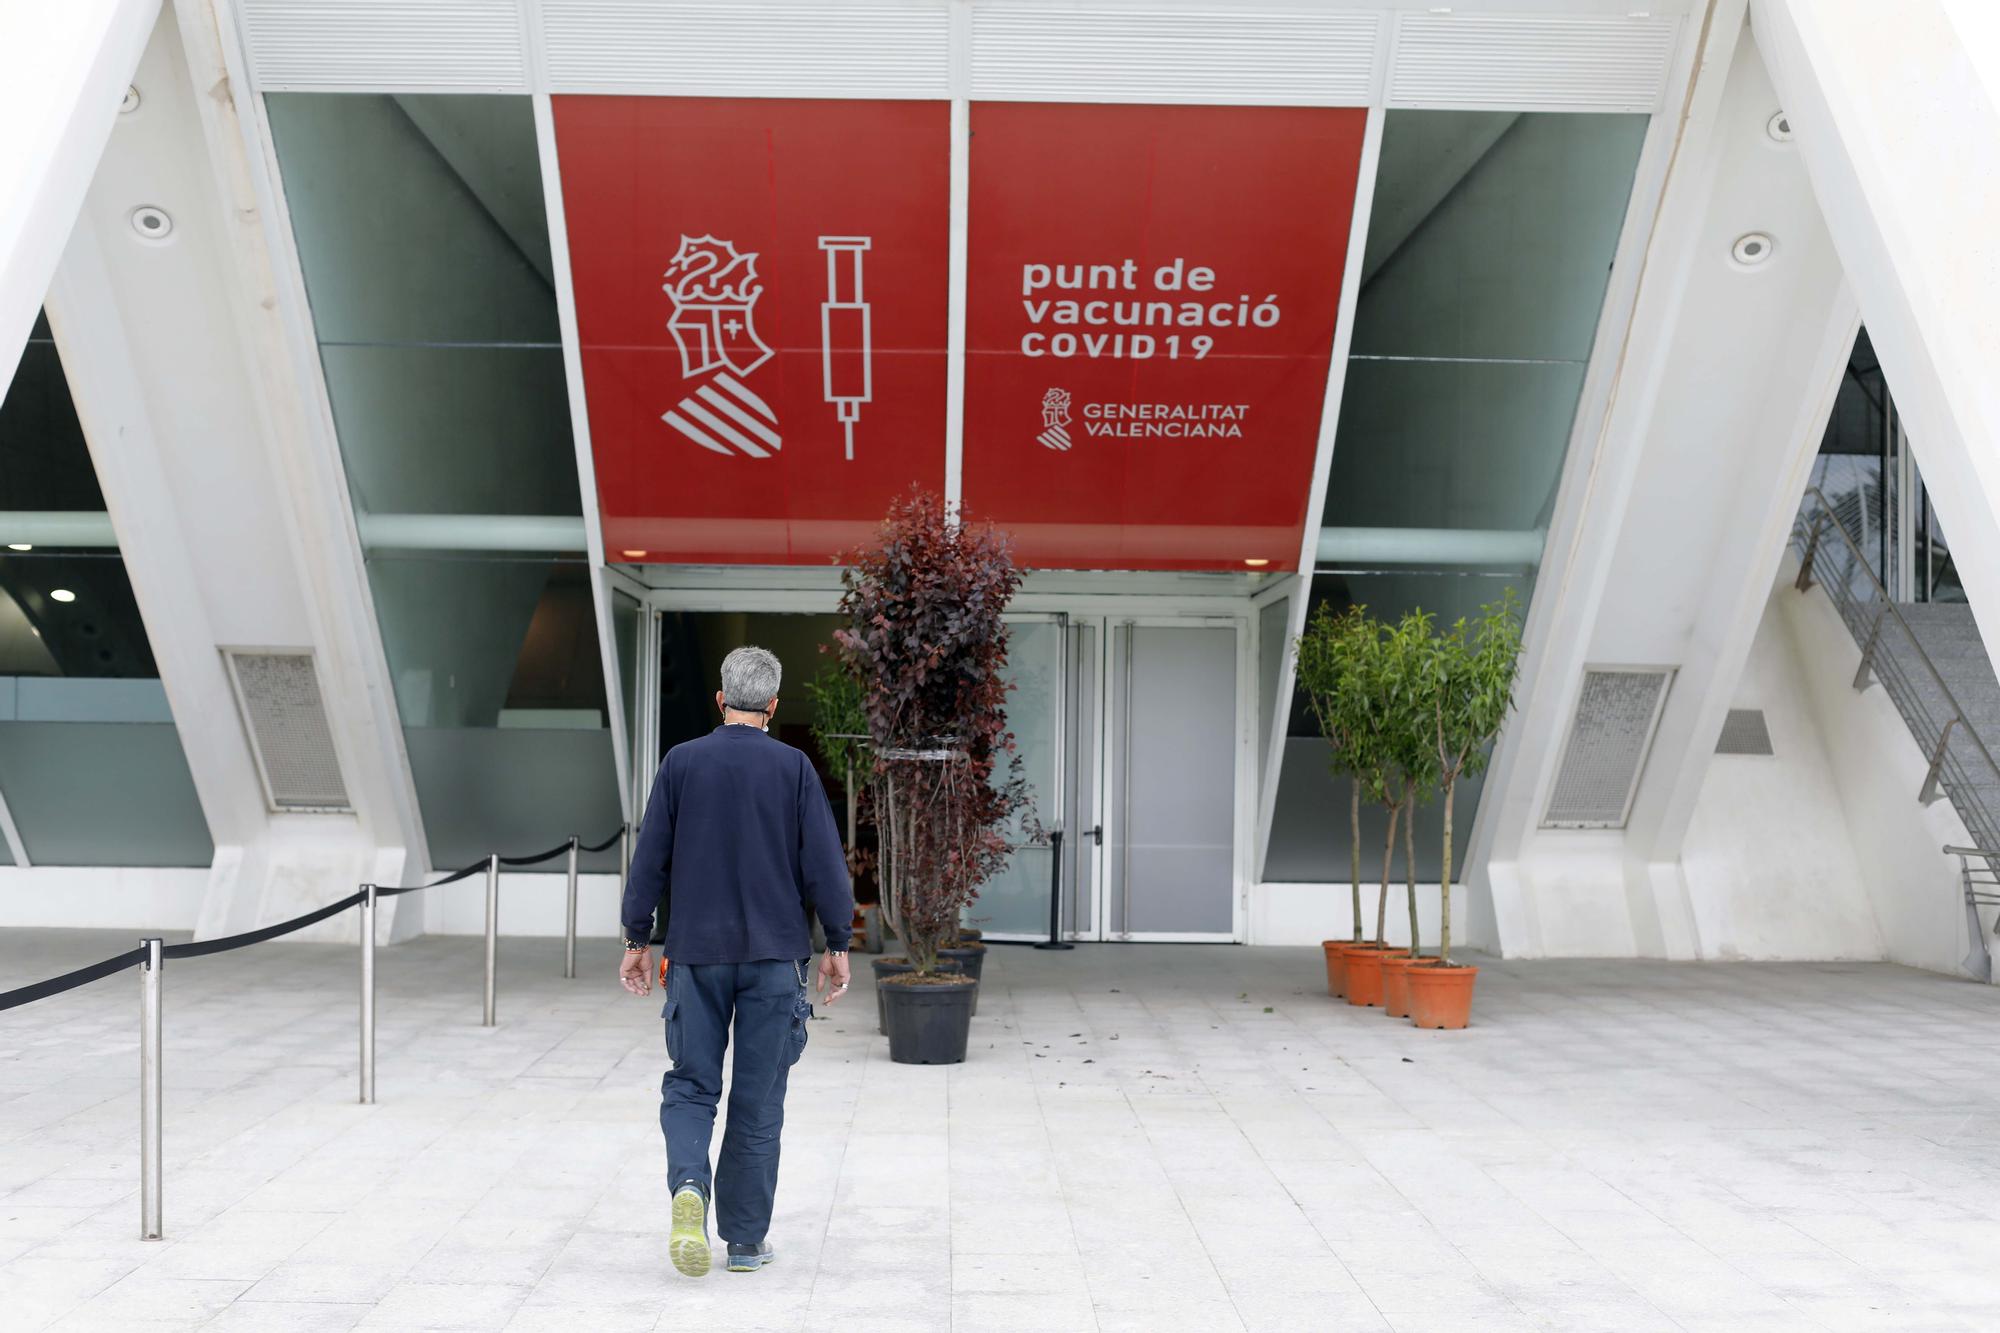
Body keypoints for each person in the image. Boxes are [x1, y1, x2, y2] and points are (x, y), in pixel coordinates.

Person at [618, 645, 854, 1278]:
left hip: (696, 959)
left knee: (692, 1085)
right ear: (773, 706)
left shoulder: (682, 763)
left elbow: (651, 860)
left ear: (719, 700)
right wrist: (837, 944)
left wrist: (636, 940)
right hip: (774, 962)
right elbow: (825, 867)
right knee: (758, 1098)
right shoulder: (795, 769)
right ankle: (746, 1241)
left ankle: (690, 1189)